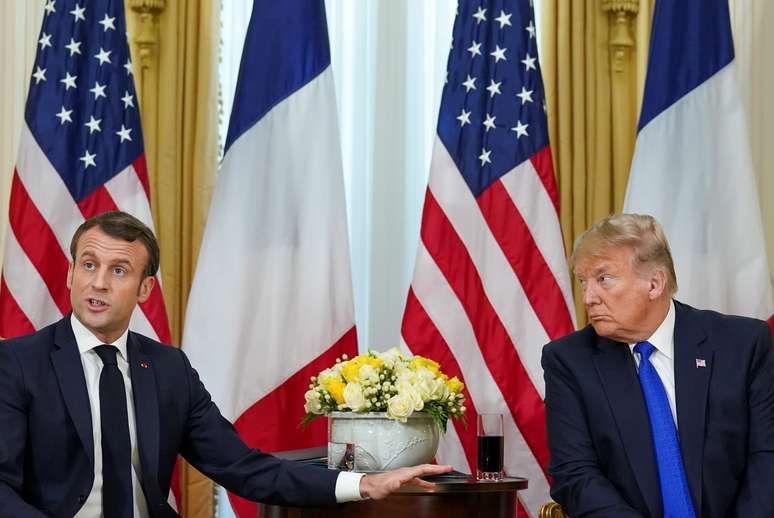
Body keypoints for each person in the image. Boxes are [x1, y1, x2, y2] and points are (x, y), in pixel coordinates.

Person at [0, 211, 450, 517]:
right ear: (70, 274)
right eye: (88, 264)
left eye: (118, 270)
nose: (97, 282)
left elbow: (243, 467)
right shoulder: (18, 363)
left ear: (144, 290)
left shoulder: (168, 369)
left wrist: (365, 485)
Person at [542, 213, 774, 518]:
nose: (588, 297)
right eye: (583, 281)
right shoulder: (569, 360)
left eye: (603, 279)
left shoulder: (742, 345)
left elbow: (766, 459)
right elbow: (575, 475)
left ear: (654, 283)